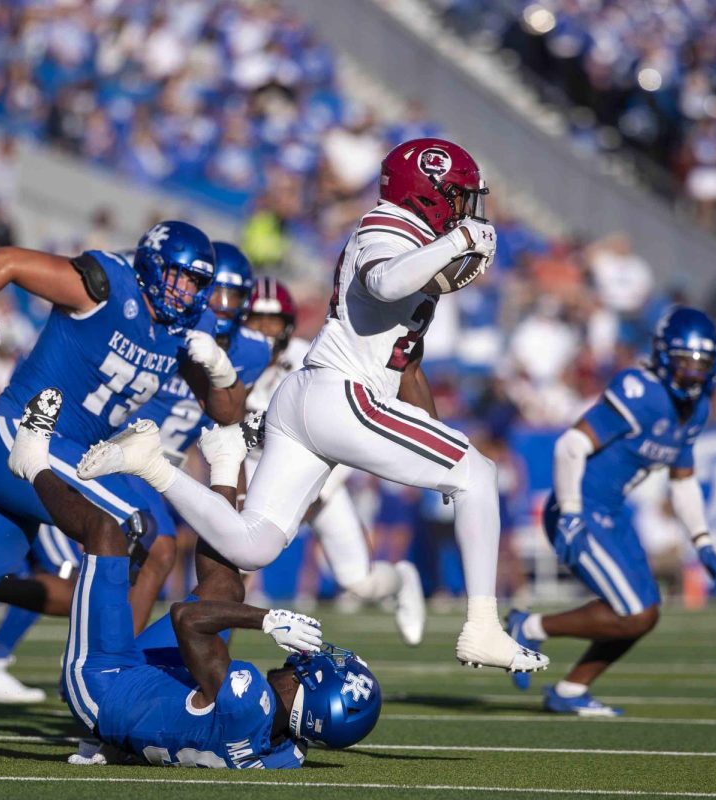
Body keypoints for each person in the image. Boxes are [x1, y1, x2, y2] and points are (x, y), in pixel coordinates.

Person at [78, 138, 547, 674]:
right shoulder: (388, 226)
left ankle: (151, 464)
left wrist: (434, 440)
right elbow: (384, 278)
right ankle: (482, 627)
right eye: (459, 198)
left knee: (252, 547)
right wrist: (459, 239)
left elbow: (407, 353)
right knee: (478, 472)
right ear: (429, 193)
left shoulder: (410, 237)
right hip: (340, 397)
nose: (467, 209)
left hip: (309, 398)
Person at [0, 220, 248, 690]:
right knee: (135, 527)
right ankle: (107, 683)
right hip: (17, 434)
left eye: (196, 282)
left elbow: (227, 413)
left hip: (48, 460)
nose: (185, 291)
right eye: (178, 276)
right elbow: (9, 261)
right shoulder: (106, 286)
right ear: (151, 267)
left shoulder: (189, 327)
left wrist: (220, 370)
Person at [0, 240, 272, 702]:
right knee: (121, 555)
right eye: (213, 291)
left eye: (232, 297)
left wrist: (223, 373)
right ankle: (72, 669)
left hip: (165, 472)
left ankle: (113, 672)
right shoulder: (167, 328)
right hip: (108, 456)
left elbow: (229, 417)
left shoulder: (243, 351)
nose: (219, 306)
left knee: (186, 559)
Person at [9, 386, 382, 766]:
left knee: (105, 534)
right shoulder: (285, 753)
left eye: (319, 673)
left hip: (103, 686)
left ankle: (31, 462)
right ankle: (225, 456)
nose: (310, 662)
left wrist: (268, 619)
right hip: (149, 688)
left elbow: (187, 618)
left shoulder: (249, 700)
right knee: (226, 587)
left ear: (313, 702)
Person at [506, 307, 716, 716]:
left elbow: (682, 479)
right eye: (684, 363)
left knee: (645, 615)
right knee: (634, 612)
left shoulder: (694, 409)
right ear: (663, 355)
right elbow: (570, 446)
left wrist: (702, 538)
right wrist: (571, 512)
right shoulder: (641, 390)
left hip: (614, 513)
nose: (692, 375)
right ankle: (529, 626)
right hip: (581, 508)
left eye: (701, 366)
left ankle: (570, 690)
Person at [242, 276, 427, 644]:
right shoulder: (231, 361)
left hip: (322, 468)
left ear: (288, 325)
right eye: (255, 321)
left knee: (357, 581)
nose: (263, 331)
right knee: (235, 558)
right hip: (256, 469)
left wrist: (320, 490)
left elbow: (343, 424)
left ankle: (402, 577)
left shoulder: (306, 358)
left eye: (272, 321)